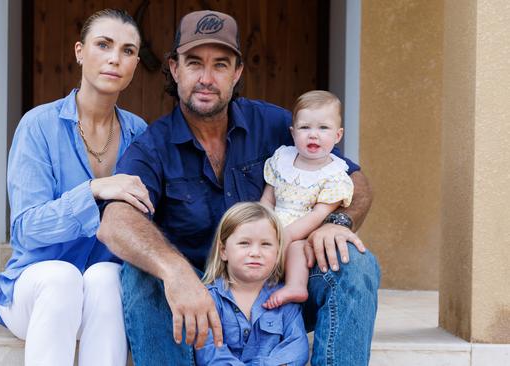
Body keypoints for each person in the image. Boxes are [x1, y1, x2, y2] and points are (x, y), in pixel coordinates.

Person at [98, 9, 380, 366]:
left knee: (355, 263)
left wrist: (335, 223)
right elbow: (115, 222)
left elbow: (355, 179)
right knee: (141, 273)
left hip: (277, 290)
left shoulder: (276, 125)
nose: (206, 77)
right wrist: (175, 271)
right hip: (198, 298)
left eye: (220, 65)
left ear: (237, 72)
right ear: (174, 68)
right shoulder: (154, 146)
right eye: (194, 63)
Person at [0, 9, 153, 366]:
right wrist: (93, 189)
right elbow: (26, 230)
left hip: (99, 302)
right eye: (103, 45)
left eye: (127, 51)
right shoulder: (39, 126)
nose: (114, 58)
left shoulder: (139, 133)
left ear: (136, 64)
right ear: (80, 52)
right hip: (37, 290)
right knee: (62, 278)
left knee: (108, 276)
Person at [261, 90, 354, 309]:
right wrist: (260, 227)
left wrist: (286, 236)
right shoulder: (282, 159)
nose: (313, 135)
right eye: (305, 127)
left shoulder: (333, 174)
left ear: (338, 135)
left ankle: (296, 286)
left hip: (303, 233)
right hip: (273, 225)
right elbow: (267, 199)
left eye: (323, 128)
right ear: (293, 133)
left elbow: (318, 215)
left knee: (298, 248)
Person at [195, 202, 309, 365]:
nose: (255, 253)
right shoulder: (209, 299)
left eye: (266, 244)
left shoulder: (284, 301)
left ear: (278, 253)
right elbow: (208, 351)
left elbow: (297, 348)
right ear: (223, 251)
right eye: (244, 243)